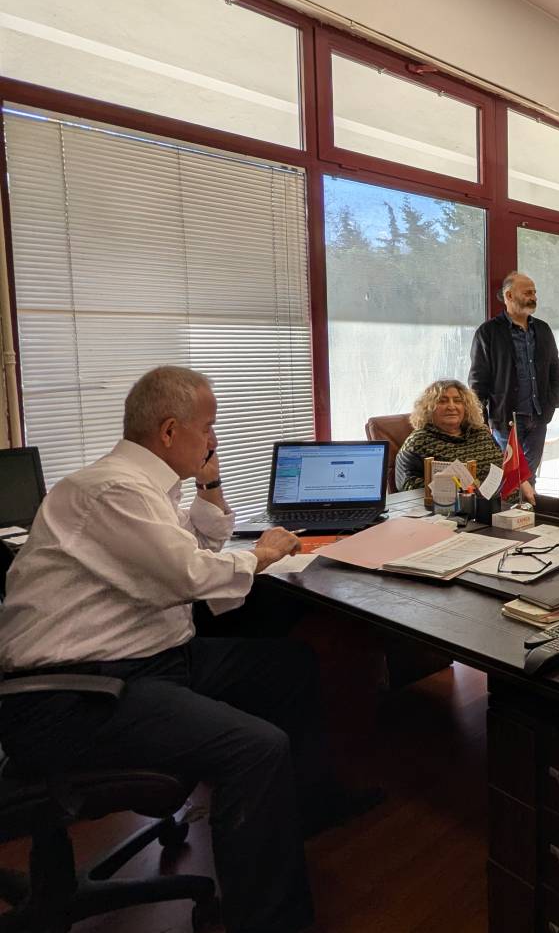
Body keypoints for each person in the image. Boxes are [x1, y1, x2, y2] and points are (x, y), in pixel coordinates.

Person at [0, 367, 343, 933]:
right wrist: (262, 553)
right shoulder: (111, 490)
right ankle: (268, 920)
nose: (213, 439)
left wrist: (209, 482)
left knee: (289, 666)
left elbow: (199, 540)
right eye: (207, 428)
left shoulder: (142, 489)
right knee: (256, 749)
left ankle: (305, 810)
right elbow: (191, 573)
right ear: (167, 431)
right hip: (73, 695)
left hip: (143, 663)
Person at [468, 270, 559, 486]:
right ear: (509, 295)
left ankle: (528, 507)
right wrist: (480, 419)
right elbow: (478, 380)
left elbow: (554, 369)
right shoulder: (488, 332)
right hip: (506, 419)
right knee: (510, 478)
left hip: (539, 416)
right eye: (528, 292)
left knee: (529, 477)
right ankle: (513, 508)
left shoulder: (543, 329)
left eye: (534, 292)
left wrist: (552, 403)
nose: (533, 297)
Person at [395, 379, 535, 502]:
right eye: (442, 401)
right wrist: (456, 492)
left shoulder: (481, 432)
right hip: (462, 514)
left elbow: (503, 464)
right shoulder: (417, 442)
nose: (451, 406)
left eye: (457, 401)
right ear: (428, 409)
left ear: (466, 406)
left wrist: (521, 481)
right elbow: (408, 488)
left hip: (512, 507)